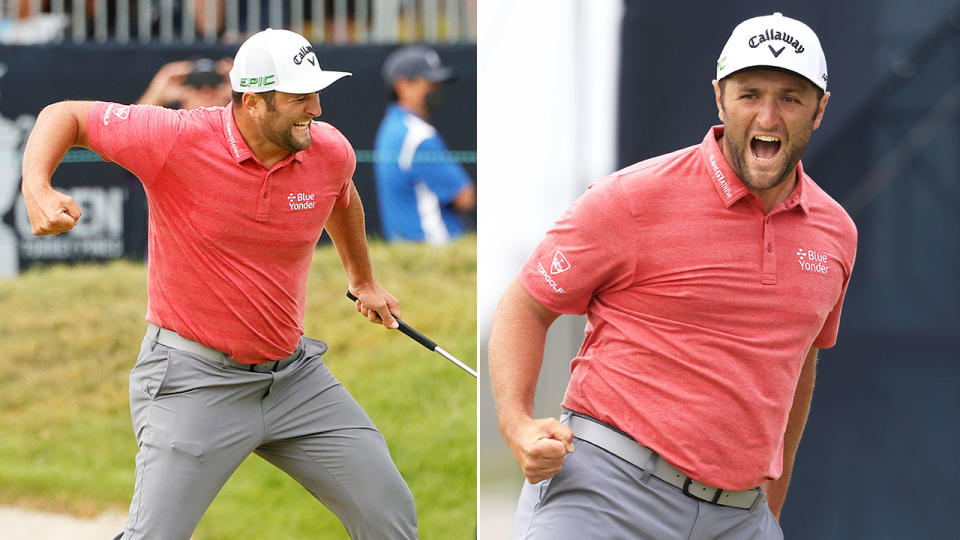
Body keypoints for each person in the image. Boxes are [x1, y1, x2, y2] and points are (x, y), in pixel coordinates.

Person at [21, 28, 417, 540]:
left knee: (389, 511)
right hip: (193, 381)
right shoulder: (176, 137)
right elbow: (65, 115)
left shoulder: (329, 150)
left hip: (295, 381)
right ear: (253, 101)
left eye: (317, 94)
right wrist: (37, 185)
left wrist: (363, 280)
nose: (316, 109)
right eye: (300, 97)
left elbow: (340, 197)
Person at [489, 12, 856, 540]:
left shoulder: (837, 233)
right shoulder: (632, 198)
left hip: (741, 517)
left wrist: (768, 510)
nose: (768, 117)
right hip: (605, 494)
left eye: (791, 98)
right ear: (719, 99)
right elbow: (526, 304)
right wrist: (517, 423)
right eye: (749, 93)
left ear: (820, 110)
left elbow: (799, 363)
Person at [374, 44, 475, 245]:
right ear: (403, 85)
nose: (435, 90)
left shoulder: (390, 128)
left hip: (407, 246)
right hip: (435, 245)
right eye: (429, 84)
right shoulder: (418, 135)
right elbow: (465, 197)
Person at [137, 57, 233, 110]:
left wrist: (241, 92)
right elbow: (133, 131)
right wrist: (156, 97)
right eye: (197, 84)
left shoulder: (238, 138)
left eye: (214, 83)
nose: (206, 93)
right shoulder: (170, 134)